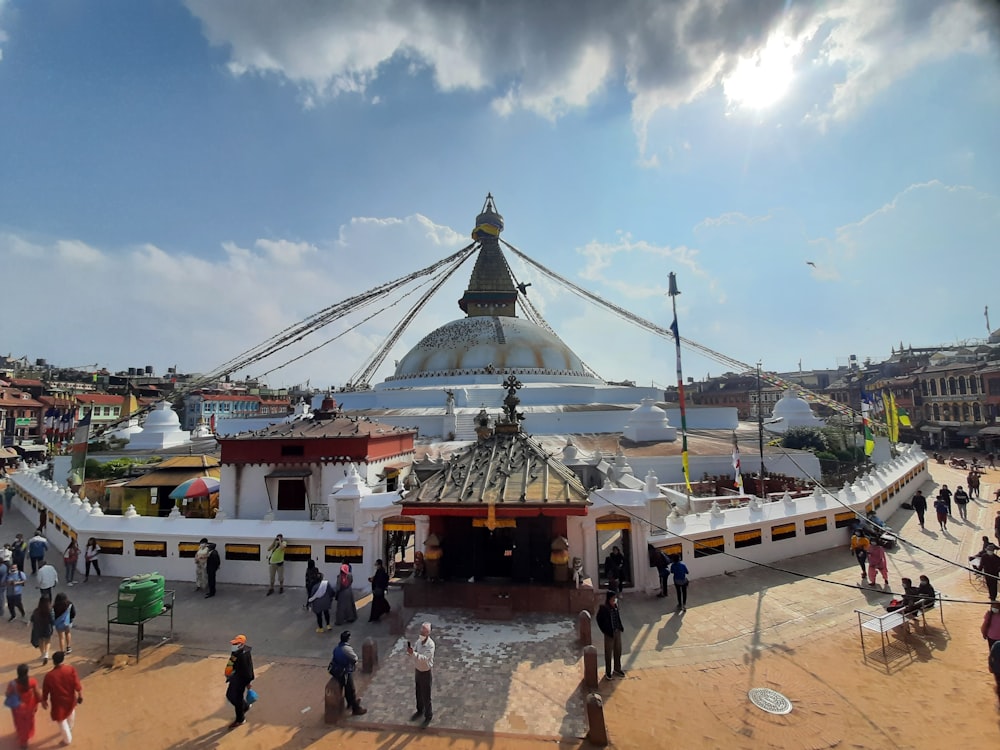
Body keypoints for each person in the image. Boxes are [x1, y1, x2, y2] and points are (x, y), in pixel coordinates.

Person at [42, 651, 82, 746]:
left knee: (61, 720)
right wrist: (80, 695)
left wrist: (44, 700)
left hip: (58, 702)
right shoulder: (70, 669)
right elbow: (77, 684)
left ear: (54, 662)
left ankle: (67, 740)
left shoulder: (49, 676)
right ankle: (70, 728)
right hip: (70, 699)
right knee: (71, 712)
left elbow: (45, 691)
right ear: (63, 660)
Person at [329, 630, 367, 715]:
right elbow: (355, 658)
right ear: (348, 638)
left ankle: (350, 703)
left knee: (344, 688)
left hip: (337, 671)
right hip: (345, 671)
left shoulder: (337, 648)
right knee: (350, 689)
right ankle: (355, 708)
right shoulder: (347, 649)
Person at [6, 663, 42, 750]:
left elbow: (8, 694)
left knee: (20, 724)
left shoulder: (13, 684)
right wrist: (42, 701)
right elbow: (37, 693)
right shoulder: (32, 681)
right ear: (27, 672)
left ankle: (23, 742)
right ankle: (28, 735)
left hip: (18, 709)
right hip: (30, 707)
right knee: (29, 722)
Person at [224, 634, 254, 729]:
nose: (234, 645)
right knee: (230, 695)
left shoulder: (243, 655)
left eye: (236, 643)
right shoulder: (237, 652)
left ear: (241, 644)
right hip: (235, 678)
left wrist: (248, 682)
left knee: (236, 699)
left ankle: (240, 719)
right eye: (234, 643)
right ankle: (245, 706)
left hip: (240, 680)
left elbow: (248, 669)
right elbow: (231, 661)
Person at [407, 621, 435, 726]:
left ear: (428, 633)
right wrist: (411, 652)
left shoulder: (431, 645)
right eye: (421, 631)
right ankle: (420, 710)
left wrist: (413, 654)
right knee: (418, 692)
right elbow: (415, 652)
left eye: (424, 632)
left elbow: (424, 658)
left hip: (425, 672)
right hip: (418, 670)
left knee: (426, 695)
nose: (422, 634)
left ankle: (428, 715)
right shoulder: (419, 641)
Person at [596, 590, 625, 680]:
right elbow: (599, 619)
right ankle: (608, 672)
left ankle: (617, 668)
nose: (614, 600)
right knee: (608, 653)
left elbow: (617, 617)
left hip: (617, 631)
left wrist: (620, 627)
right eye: (613, 598)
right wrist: (605, 630)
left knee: (618, 650)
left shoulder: (615, 606)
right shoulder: (604, 608)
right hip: (609, 633)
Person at [29, 596, 53, 665]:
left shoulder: (36, 610)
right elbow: (52, 620)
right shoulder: (50, 610)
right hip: (47, 628)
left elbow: (32, 619)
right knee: (47, 641)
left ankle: (42, 653)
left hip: (39, 628)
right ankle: (46, 654)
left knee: (40, 641)